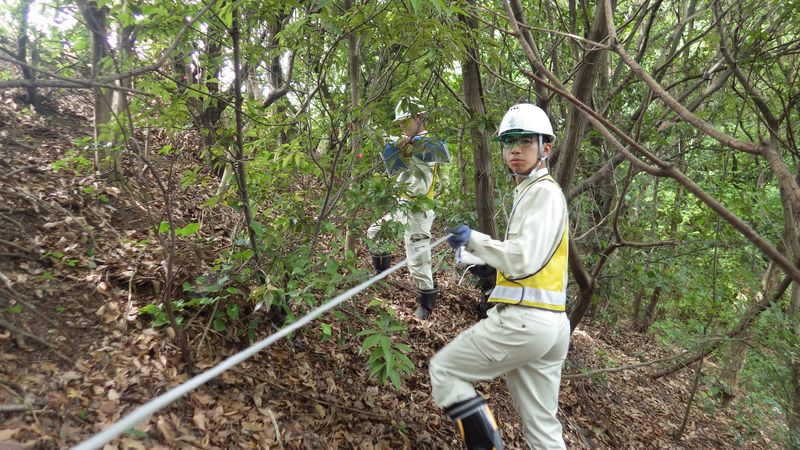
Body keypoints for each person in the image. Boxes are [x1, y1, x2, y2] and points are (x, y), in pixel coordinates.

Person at [429, 103, 571, 449]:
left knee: (445, 371)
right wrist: (486, 263)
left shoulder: (543, 193)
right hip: (549, 325)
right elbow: (531, 262)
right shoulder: (531, 192)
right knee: (542, 430)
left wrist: (476, 240)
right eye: (509, 143)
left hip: (526, 323)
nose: (515, 150)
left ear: (546, 148)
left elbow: (521, 259)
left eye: (525, 142)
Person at [366, 97, 449, 320]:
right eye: (399, 123)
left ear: (419, 118)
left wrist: (406, 150)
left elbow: (418, 181)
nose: (402, 126)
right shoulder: (408, 142)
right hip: (403, 206)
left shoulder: (428, 145)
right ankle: (381, 275)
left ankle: (426, 304)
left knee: (418, 261)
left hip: (418, 211)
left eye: (405, 121)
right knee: (375, 232)